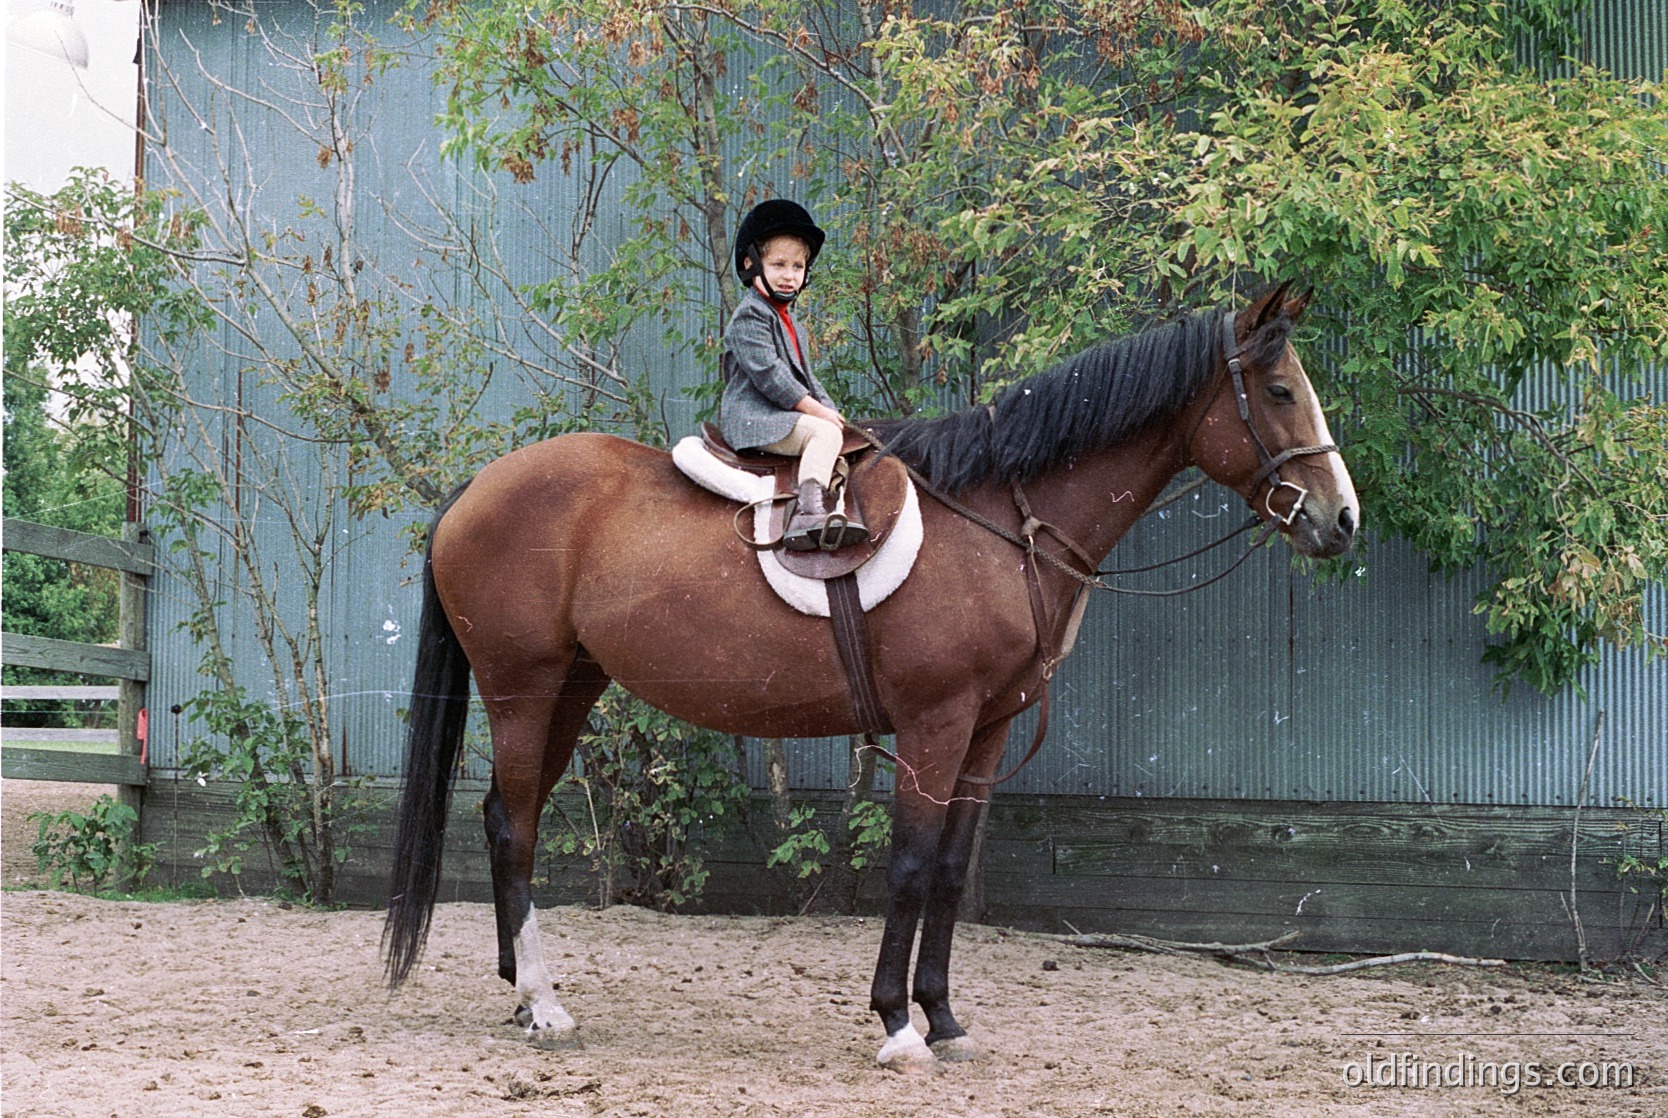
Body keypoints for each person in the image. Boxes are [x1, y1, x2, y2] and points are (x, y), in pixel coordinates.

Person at [719, 199, 868, 551]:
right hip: (755, 418)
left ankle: (833, 503)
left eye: (798, 266)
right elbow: (771, 376)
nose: (789, 275)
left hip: (780, 415)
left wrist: (833, 412)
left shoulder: (789, 320)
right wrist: (819, 415)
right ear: (750, 263)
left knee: (839, 435)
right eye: (779, 264)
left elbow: (807, 379)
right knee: (821, 433)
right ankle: (807, 515)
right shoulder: (750, 316)